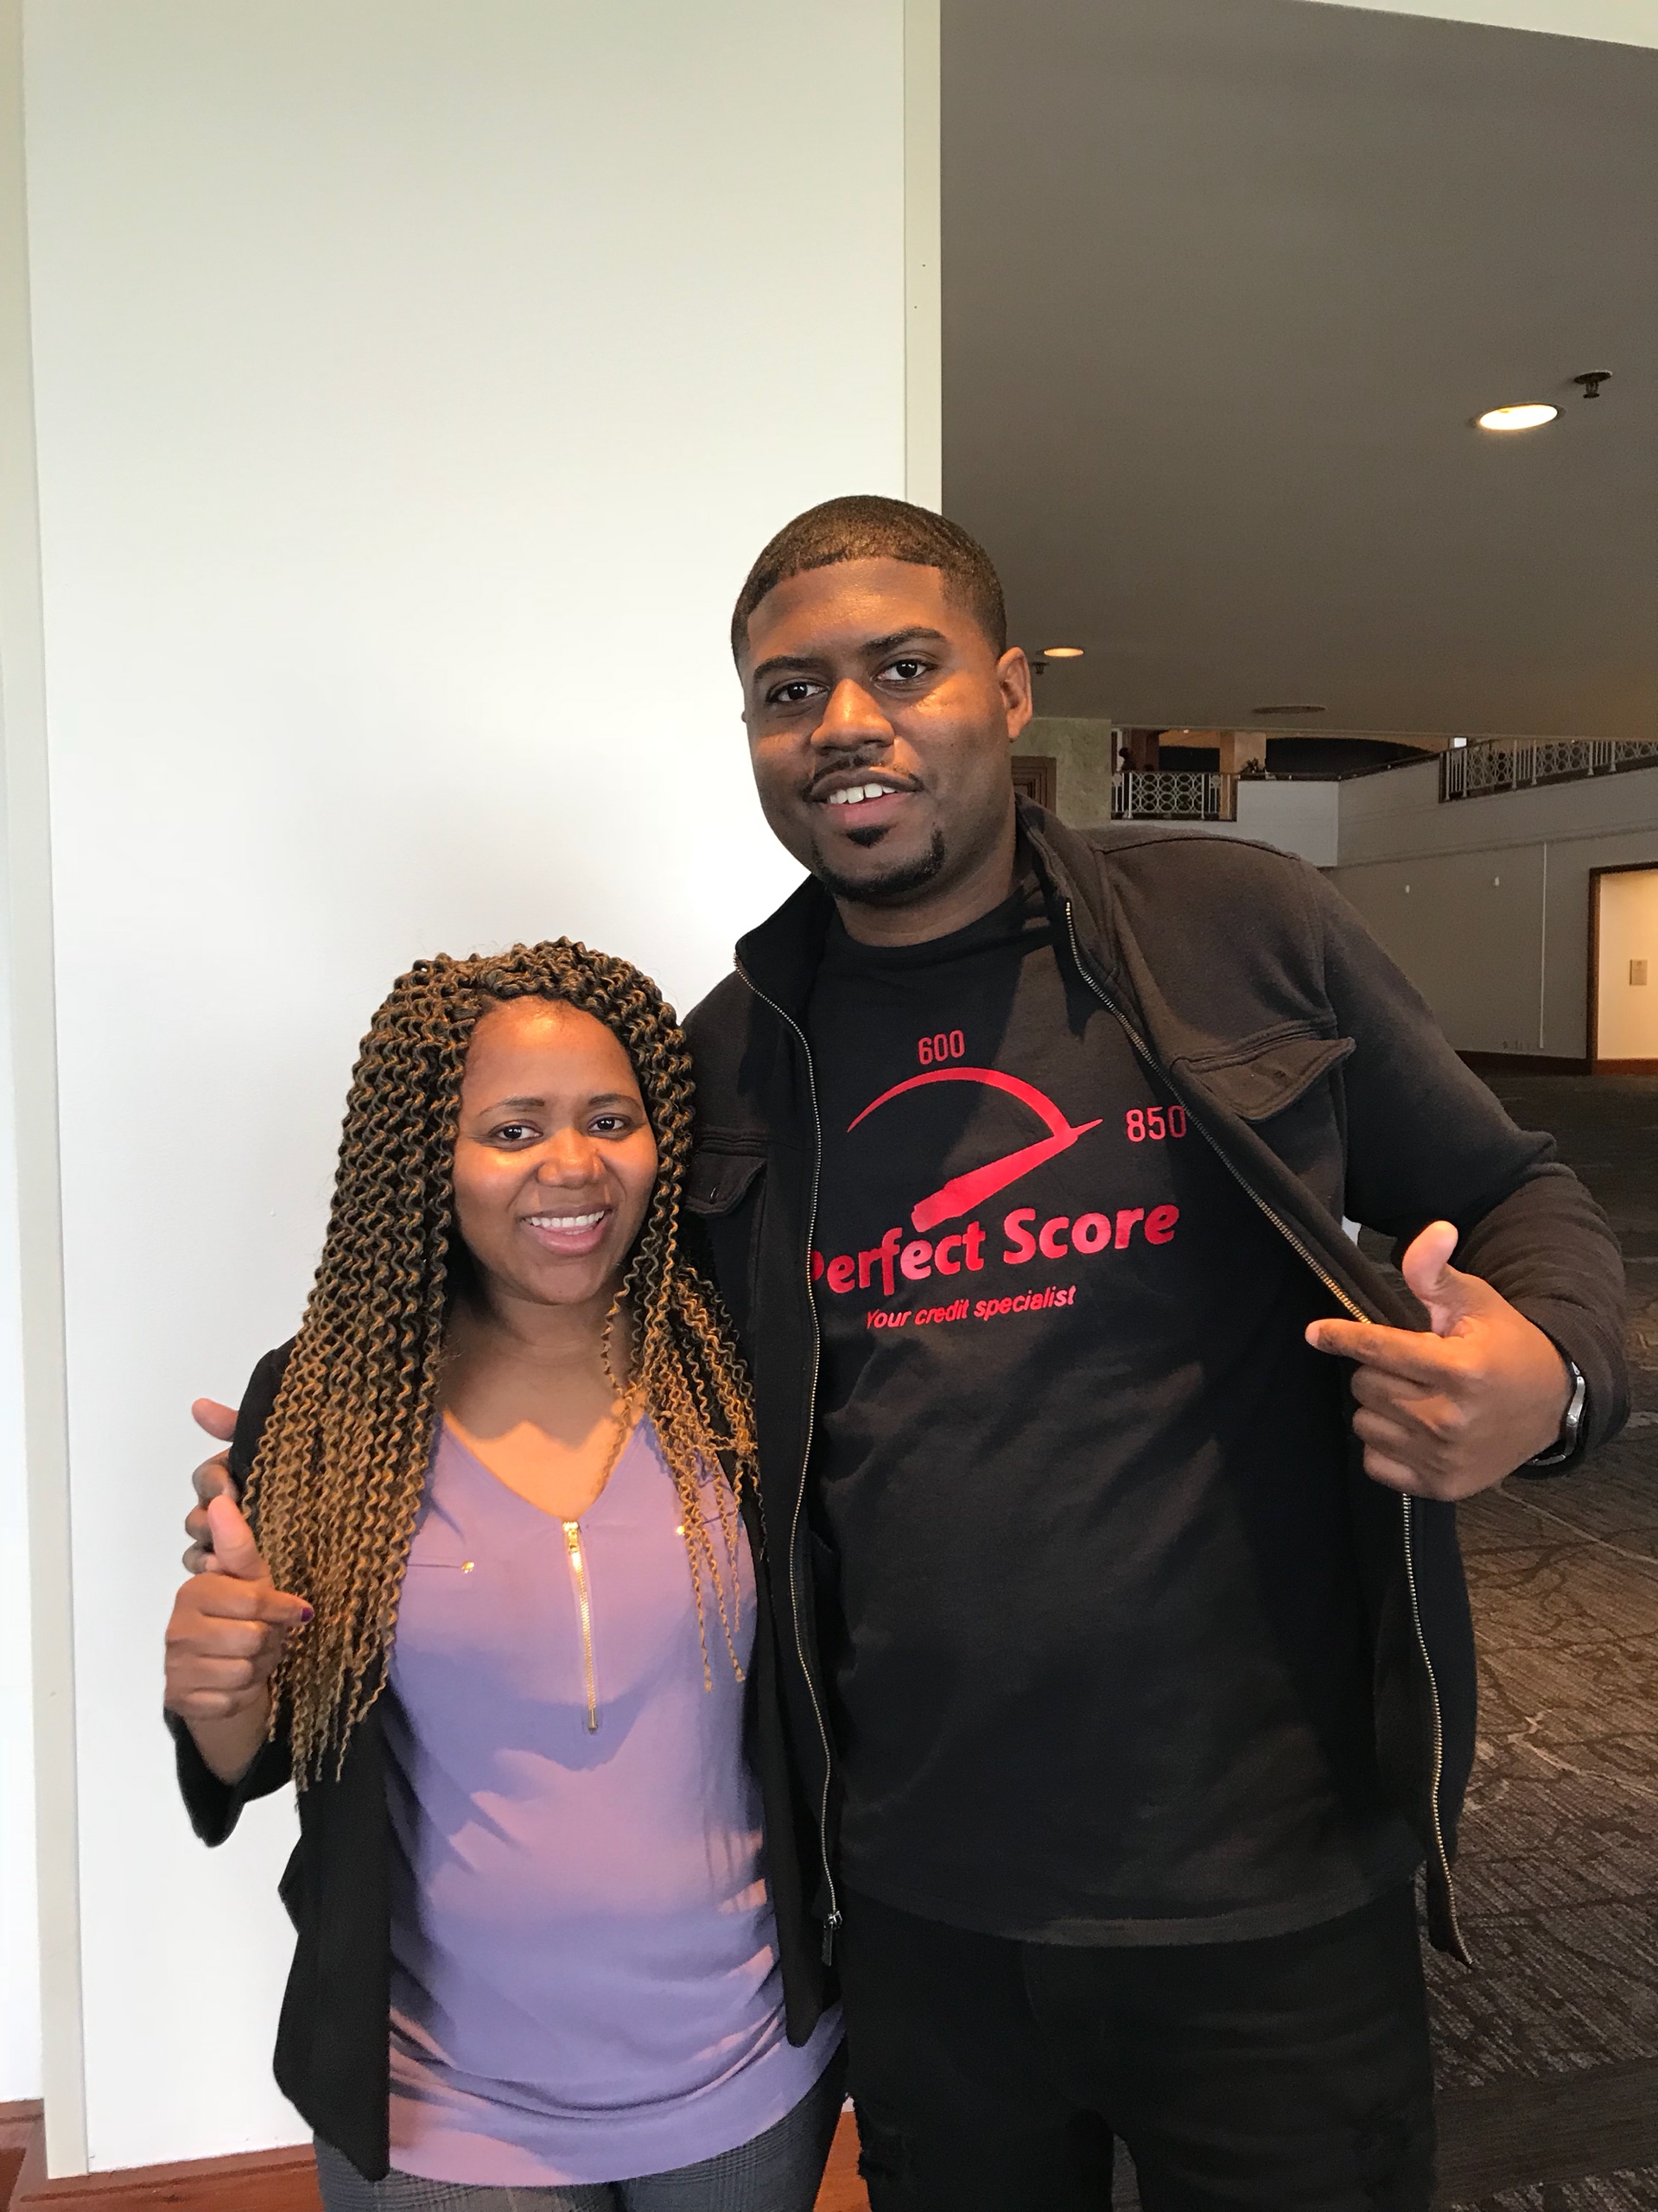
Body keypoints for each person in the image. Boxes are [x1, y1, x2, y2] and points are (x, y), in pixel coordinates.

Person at [187, 499, 1628, 2212]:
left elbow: (1516, 1191)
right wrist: (321, 1441)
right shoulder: (731, 1064)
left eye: (904, 666)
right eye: (791, 692)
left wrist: (1551, 1381)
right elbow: (584, 1329)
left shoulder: (1238, 931)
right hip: (920, 1909)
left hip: (1273, 1884)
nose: (847, 722)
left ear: (1008, 691)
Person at [164, 941, 844, 2212]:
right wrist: (219, 1696)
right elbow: (259, 1752)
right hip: (441, 2104)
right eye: (512, 1129)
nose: (572, 1165)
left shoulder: (738, 1370)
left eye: (610, 1121)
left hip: (745, 2073)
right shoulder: (329, 1406)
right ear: (427, 1158)